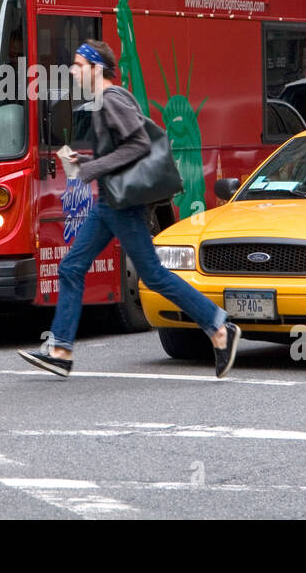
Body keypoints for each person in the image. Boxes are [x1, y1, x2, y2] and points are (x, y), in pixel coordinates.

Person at [16, 39, 241, 378]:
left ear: (95, 68)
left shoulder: (110, 99)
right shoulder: (106, 100)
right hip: (109, 203)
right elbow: (122, 148)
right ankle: (61, 350)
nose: (74, 71)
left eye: (79, 64)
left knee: (153, 275)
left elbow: (137, 144)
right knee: (72, 268)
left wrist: (91, 169)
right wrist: (87, 161)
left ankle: (218, 325)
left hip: (122, 206)